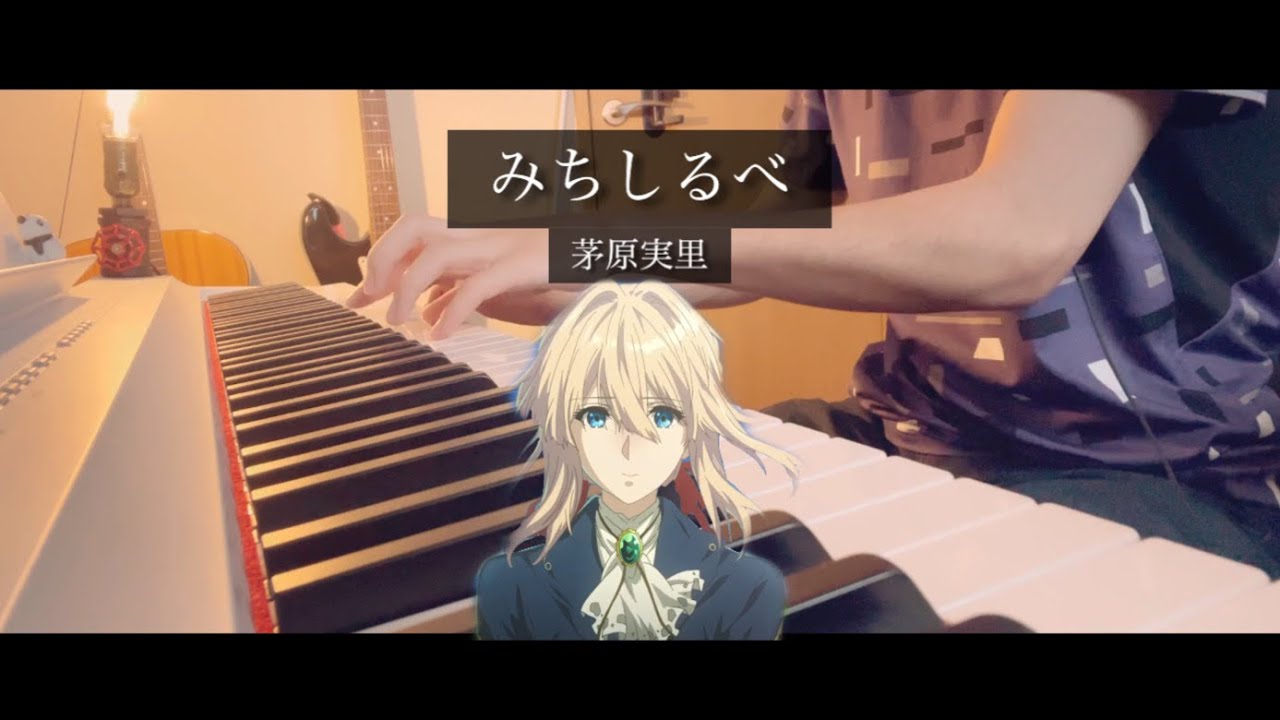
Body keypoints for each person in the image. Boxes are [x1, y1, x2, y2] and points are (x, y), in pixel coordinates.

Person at [348, 90, 1280, 579]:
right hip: (915, 427)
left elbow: (1019, 231)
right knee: (551, 514)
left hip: (1176, 476)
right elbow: (790, 218)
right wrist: (565, 248)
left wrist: (614, 245)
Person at [472, 278, 796, 640]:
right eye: (598, 417)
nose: (629, 447)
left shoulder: (749, 587)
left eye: (662, 417)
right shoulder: (509, 587)